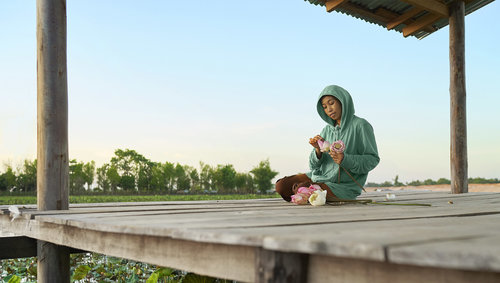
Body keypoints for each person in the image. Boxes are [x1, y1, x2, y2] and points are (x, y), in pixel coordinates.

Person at [275, 85, 379, 201]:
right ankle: (304, 193)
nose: (329, 109)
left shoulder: (361, 126)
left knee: (302, 188)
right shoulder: (327, 130)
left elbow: (372, 159)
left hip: (342, 186)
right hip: (319, 177)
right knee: (282, 186)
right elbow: (313, 166)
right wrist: (317, 151)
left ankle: (304, 192)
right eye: (324, 107)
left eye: (331, 103)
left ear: (342, 101)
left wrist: (345, 159)